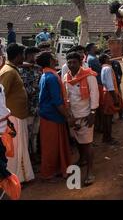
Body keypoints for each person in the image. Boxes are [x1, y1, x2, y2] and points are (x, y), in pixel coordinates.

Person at [0, 43, 35, 184]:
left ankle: (21, 177)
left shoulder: (12, 69)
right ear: (18, 55)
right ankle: (15, 179)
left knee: (21, 148)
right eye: (23, 54)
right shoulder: (8, 71)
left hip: (18, 116)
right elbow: (2, 96)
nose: (24, 57)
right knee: (14, 151)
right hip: (12, 118)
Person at [63, 52, 98, 186]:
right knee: (78, 141)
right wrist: (69, 116)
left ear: (80, 63)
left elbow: (95, 95)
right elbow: (66, 98)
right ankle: (82, 160)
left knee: (87, 144)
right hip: (73, 117)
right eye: (69, 62)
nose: (71, 65)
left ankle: (90, 172)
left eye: (74, 62)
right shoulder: (66, 77)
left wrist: (93, 113)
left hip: (86, 116)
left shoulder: (89, 76)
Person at [37, 51, 72, 181]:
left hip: (51, 115)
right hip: (52, 116)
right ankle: (48, 173)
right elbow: (57, 102)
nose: (55, 59)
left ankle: (57, 169)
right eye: (53, 57)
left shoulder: (46, 75)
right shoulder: (51, 77)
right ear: (50, 61)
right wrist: (68, 116)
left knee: (56, 145)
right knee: (51, 146)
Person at [19, 46, 42, 164]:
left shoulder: (38, 69)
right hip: (28, 108)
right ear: (27, 55)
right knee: (27, 135)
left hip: (37, 107)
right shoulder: (21, 70)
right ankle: (28, 159)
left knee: (35, 134)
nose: (35, 57)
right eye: (33, 55)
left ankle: (34, 155)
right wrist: (36, 87)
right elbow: (25, 90)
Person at [0, 83, 21, 200]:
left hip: (2, 134)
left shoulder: (0, 87)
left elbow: (3, 108)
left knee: (2, 166)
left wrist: (8, 124)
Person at [99, 53, 122, 145]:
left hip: (106, 93)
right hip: (109, 94)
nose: (110, 59)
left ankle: (106, 137)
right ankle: (108, 138)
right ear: (105, 59)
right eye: (108, 58)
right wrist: (115, 98)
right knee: (108, 117)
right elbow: (110, 85)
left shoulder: (104, 68)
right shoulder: (108, 68)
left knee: (107, 117)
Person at [86, 43, 103, 131]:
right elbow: (100, 69)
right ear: (90, 49)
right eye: (94, 47)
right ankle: (98, 127)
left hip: (97, 82)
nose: (96, 48)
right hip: (97, 83)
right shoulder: (92, 59)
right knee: (99, 106)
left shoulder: (92, 57)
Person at [105, 49, 123, 120]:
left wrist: (119, 81)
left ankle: (121, 115)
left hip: (117, 86)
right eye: (107, 54)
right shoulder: (105, 66)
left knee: (119, 100)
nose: (109, 55)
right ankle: (112, 117)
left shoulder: (116, 63)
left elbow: (120, 73)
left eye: (110, 53)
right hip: (109, 87)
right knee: (111, 101)